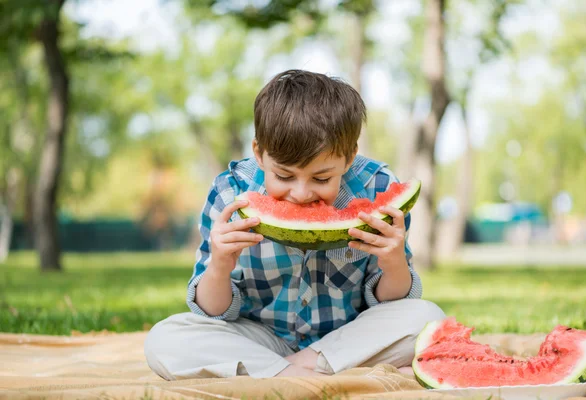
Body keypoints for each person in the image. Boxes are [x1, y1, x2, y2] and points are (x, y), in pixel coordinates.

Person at [144, 69, 445, 380]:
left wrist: (394, 262)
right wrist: (219, 266)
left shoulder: (377, 187)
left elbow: (390, 304)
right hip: (256, 339)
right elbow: (212, 312)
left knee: (427, 318)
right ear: (259, 153)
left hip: (344, 339)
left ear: (350, 156)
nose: (301, 194)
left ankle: (287, 372)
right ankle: (308, 373)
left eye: (322, 178)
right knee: (165, 339)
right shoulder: (229, 193)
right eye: (284, 176)